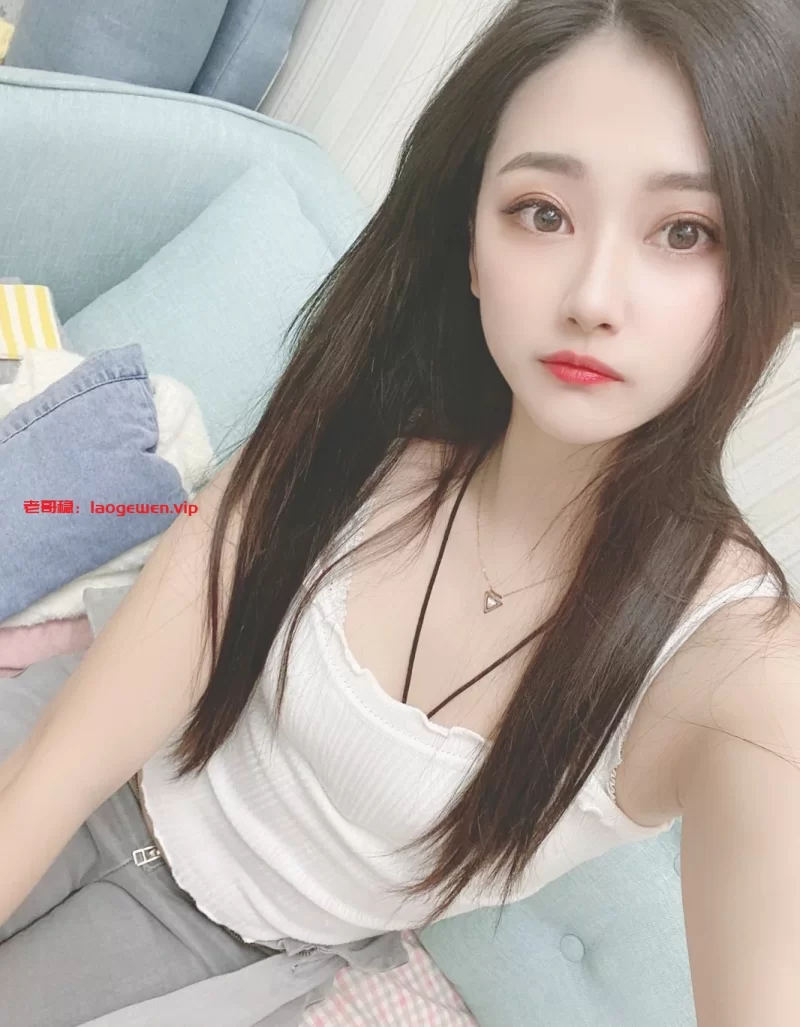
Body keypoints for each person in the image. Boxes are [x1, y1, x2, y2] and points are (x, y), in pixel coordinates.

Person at [1, 1, 799, 1024]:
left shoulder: (738, 669)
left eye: (685, 232)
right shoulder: (368, 423)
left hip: (217, 951)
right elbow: (63, 766)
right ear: (471, 246)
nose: (593, 296)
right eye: (541, 212)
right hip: (76, 750)